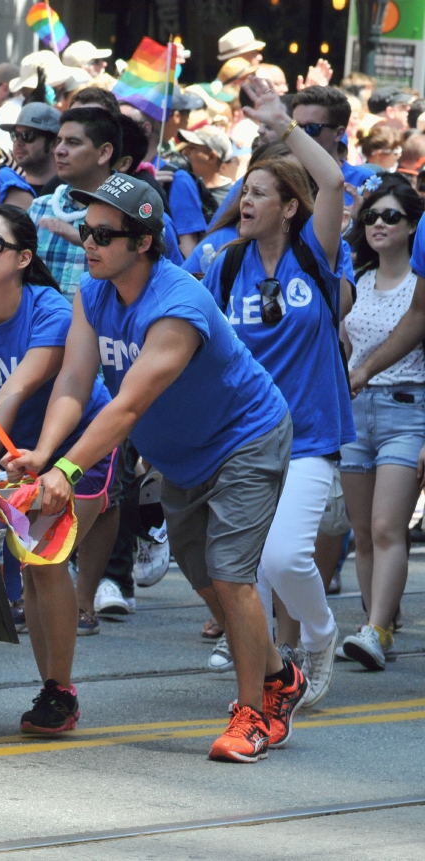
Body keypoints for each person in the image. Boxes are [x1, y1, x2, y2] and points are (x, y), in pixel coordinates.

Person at [8, 170, 300, 763]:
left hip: (245, 437)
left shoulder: (178, 304)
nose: (87, 243)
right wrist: (44, 453)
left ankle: (253, 715)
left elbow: (129, 405)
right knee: (205, 581)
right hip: (178, 454)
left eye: (104, 235)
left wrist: (66, 472)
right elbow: (74, 378)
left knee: (230, 575)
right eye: (86, 230)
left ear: (143, 242)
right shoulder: (92, 293)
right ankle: (279, 674)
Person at [201, 76, 348, 710]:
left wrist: (282, 125)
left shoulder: (314, 252)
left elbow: (335, 183)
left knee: (287, 558)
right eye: (244, 190)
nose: (246, 199)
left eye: (261, 192)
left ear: (291, 207)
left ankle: (320, 638)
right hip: (245, 439)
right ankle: (270, 663)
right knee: (249, 565)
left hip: (311, 433)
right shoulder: (223, 264)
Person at [0, 204, 116, 731]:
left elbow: (17, 386)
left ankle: (60, 692)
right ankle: (52, 687)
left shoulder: (49, 308)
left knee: (47, 560)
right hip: (16, 450)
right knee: (31, 567)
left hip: (76, 447)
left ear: (25, 257)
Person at [339, 173, 423, 671]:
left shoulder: (422, 287)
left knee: (389, 526)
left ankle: (376, 628)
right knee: (362, 531)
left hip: (407, 410)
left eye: (391, 215)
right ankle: (376, 625)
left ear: (413, 225)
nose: (379, 224)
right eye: (371, 215)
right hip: (355, 412)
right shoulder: (358, 281)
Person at [25, 107, 119, 298]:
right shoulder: (39, 208)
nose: (58, 151)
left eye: (73, 142)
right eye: (58, 141)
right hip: (42, 325)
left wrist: (85, 240)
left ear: (104, 153)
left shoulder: (132, 211)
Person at [119, 102, 206, 258]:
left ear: (145, 128)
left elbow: (188, 253)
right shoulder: (113, 175)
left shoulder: (177, 179)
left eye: (123, 123)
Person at [291, 85, 375, 207]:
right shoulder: (279, 175)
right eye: (295, 128)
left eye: (312, 128)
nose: (301, 135)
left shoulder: (364, 180)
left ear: (339, 133)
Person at [0, 102, 61, 197]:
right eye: (15, 135)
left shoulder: (69, 194)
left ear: (54, 144)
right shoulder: (7, 191)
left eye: (27, 135)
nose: (18, 142)